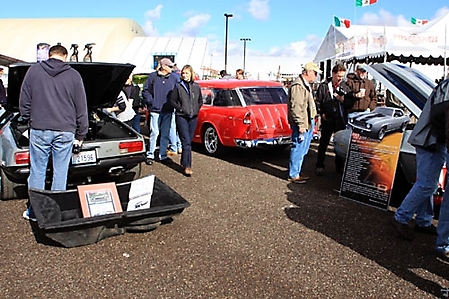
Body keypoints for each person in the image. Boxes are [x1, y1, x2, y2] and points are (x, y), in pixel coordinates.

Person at [19, 44, 88, 221]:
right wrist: (81, 134)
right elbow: (81, 107)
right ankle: (56, 213)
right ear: (65, 56)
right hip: (65, 130)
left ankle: (35, 211)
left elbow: (24, 101)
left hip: (39, 128)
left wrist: (28, 119)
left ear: (50, 55)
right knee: (60, 172)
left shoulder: (33, 72)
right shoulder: (74, 75)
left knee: (38, 172)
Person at [391, 79, 449, 241]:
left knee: (428, 183)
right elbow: (441, 115)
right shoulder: (447, 87)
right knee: (427, 184)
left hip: (431, 139)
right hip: (430, 140)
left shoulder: (444, 86)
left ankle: (423, 220)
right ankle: (401, 217)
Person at [315, 63, 353, 176]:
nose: (340, 79)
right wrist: (321, 113)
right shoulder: (324, 86)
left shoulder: (346, 86)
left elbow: (350, 103)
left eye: (342, 76)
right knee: (323, 143)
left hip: (340, 119)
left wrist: (343, 100)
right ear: (333, 74)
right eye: (338, 76)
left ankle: (339, 167)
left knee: (340, 144)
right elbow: (318, 101)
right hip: (327, 119)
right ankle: (319, 165)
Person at [287, 62, 321, 184]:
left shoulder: (304, 84)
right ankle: (294, 174)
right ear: (308, 72)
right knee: (298, 147)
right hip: (303, 122)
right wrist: (301, 124)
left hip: (308, 120)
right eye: (315, 73)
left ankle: (296, 172)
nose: (316, 76)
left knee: (303, 148)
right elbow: (296, 107)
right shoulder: (298, 86)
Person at [142, 57, 179, 165]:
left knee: (165, 133)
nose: (172, 68)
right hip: (155, 110)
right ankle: (150, 154)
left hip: (168, 110)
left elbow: (179, 92)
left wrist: (175, 104)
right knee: (155, 133)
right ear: (163, 66)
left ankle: (163, 155)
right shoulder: (152, 76)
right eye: (170, 66)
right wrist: (151, 102)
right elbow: (145, 90)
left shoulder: (175, 78)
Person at [169, 65, 203, 176]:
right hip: (181, 116)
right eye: (183, 73)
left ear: (191, 74)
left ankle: (184, 162)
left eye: (186, 73)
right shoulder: (178, 86)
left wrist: (196, 109)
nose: (184, 75)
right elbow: (172, 100)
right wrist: (181, 109)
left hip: (193, 117)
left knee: (189, 141)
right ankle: (187, 166)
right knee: (186, 141)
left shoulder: (196, 86)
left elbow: (200, 100)